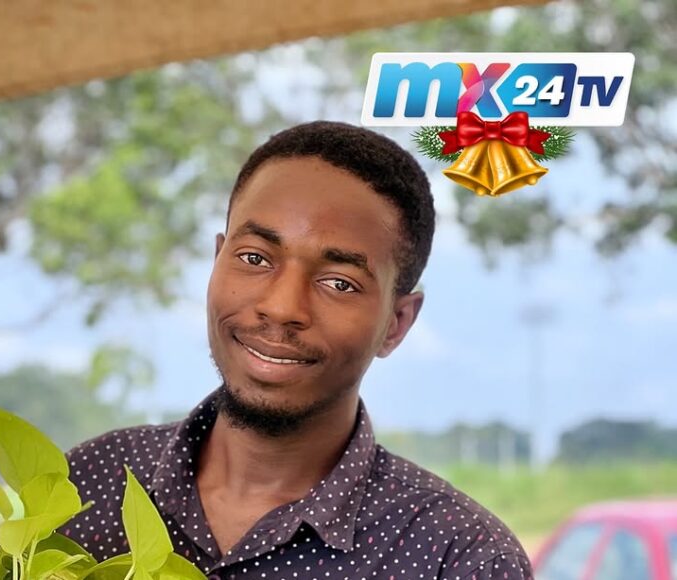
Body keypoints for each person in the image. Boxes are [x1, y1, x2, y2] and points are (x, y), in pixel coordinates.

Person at [60, 121, 533, 579]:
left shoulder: (461, 559)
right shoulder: (84, 484)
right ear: (217, 259)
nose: (282, 307)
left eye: (338, 283)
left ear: (396, 323)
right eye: (254, 258)